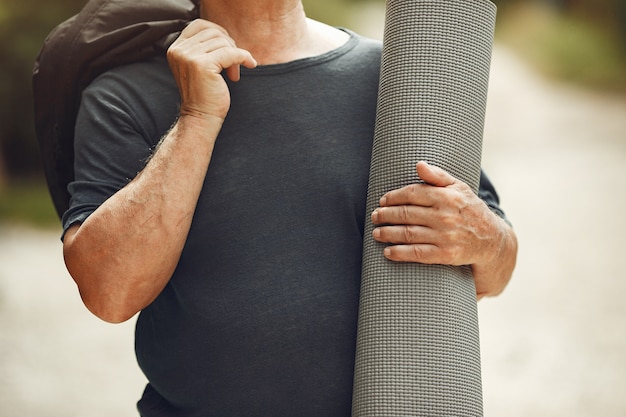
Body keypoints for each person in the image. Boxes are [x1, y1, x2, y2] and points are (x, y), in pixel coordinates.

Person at [61, 0, 518, 415]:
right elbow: (109, 294)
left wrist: (487, 239)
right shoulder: (124, 94)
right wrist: (197, 117)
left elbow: (493, 266)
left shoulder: (394, 77)